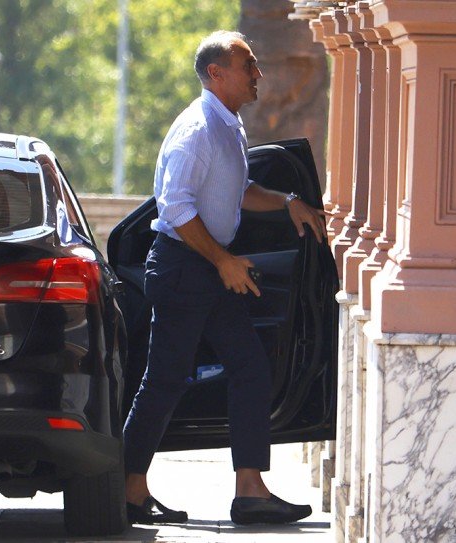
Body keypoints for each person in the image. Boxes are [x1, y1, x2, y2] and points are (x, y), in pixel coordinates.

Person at [122, 30, 327, 525]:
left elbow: (239, 190)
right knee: (165, 381)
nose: (258, 74)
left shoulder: (226, 125)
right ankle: (124, 492)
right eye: (248, 64)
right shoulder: (197, 129)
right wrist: (222, 261)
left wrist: (287, 202)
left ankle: (250, 493)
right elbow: (175, 207)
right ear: (216, 73)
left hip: (205, 269)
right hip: (184, 267)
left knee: (250, 368)